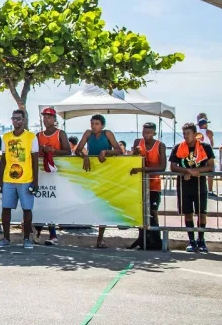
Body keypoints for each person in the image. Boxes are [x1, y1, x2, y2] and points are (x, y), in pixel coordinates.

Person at [75, 114, 123, 248]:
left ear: (102, 125)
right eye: (92, 123)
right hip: (91, 171)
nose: (94, 126)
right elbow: (77, 150)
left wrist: (106, 152)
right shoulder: (87, 133)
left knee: (104, 202)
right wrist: (84, 156)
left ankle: (100, 238)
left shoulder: (107, 134)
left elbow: (119, 151)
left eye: (96, 123)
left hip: (106, 172)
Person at [0, 110, 39, 249]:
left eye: (18, 119)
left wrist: (35, 181)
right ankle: (6, 238)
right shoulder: (6, 137)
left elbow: (35, 160)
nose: (16, 121)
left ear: (23, 120)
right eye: (14, 119)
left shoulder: (31, 137)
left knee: (27, 209)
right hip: (9, 179)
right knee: (6, 208)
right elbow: (3, 160)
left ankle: (26, 238)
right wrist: (1, 180)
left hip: (25, 180)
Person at [170, 122, 215, 253]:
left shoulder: (205, 147)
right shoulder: (178, 147)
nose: (186, 136)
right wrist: (187, 171)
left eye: (188, 134)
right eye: (184, 134)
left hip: (200, 185)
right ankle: (191, 240)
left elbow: (210, 166)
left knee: (201, 213)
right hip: (184, 186)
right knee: (188, 213)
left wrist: (197, 171)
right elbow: (172, 166)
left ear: (195, 134)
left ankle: (201, 240)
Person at [36, 107, 71, 245]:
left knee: (53, 202)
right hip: (42, 172)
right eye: (44, 117)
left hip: (56, 173)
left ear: (55, 119)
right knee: (41, 202)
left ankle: (52, 234)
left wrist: (53, 151)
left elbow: (68, 151)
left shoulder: (60, 134)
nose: (46, 119)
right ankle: (38, 232)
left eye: (49, 117)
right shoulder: (38, 135)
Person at [130, 122, 167, 250]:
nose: (146, 135)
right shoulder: (137, 142)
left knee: (153, 212)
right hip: (139, 184)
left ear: (154, 133)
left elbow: (162, 167)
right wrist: (134, 152)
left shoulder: (160, 145)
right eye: (144, 132)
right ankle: (142, 239)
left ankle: (156, 241)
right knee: (140, 213)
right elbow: (132, 160)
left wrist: (143, 170)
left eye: (149, 132)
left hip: (154, 184)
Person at [196, 116, 216, 195]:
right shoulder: (209, 132)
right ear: (205, 124)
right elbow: (212, 144)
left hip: (199, 154)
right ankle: (210, 191)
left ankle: (199, 190)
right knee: (210, 173)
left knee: (199, 172)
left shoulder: (196, 133)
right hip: (208, 154)